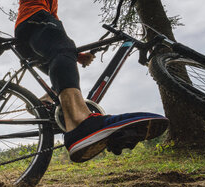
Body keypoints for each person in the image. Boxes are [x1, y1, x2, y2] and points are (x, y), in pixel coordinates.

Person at [14, 0, 169, 162]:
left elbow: (55, 31)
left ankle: (45, 102)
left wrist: (75, 54)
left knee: (64, 66)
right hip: (34, 18)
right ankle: (78, 121)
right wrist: (66, 48)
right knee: (63, 52)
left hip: (28, 29)